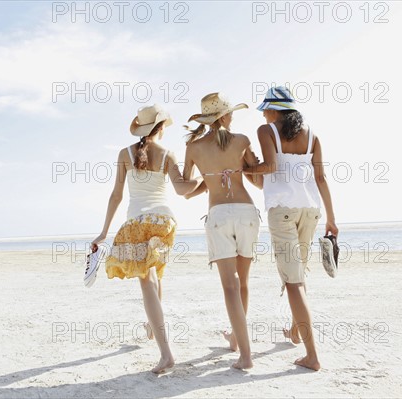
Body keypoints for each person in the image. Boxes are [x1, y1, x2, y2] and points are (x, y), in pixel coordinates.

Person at [91, 104, 201, 374]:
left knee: (147, 282)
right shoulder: (167, 154)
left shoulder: (124, 154)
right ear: (161, 128)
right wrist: (206, 180)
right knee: (156, 277)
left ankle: (166, 354)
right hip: (164, 221)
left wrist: (105, 231)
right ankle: (153, 328)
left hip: (137, 222)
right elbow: (182, 189)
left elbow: (116, 196)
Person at [244, 86, 339, 371]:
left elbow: (270, 168)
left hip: (283, 210)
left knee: (293, 280)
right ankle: (296, 332)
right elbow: (321, 178)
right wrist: (332, 219)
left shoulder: (267, 132)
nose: (263, 115)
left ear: (275, 110)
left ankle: (312, 355)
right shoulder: (312, 136)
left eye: (265, 110)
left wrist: (242, 170)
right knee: (298, 273)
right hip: (311, 210)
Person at [183, 93, 262, 370]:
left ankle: (246, 355)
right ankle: (237, 343)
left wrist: (207, 181)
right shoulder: (242, 140)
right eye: (231, 113)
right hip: (246, 213)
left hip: (218, 215)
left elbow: (186, 188)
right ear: (225, 116)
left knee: (229, 285)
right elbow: (259, 180)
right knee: (243, 283)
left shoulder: (193, 147)